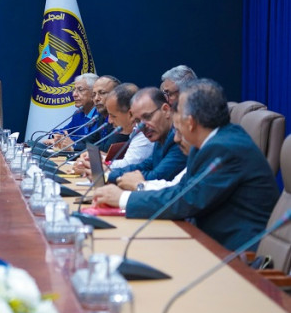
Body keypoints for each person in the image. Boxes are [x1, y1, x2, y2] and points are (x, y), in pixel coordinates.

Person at [94, 79, 279, 251]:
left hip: (236, 254)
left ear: (190, 123)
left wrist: (123, 199)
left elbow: (187, 200)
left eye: (177, 124)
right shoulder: (209, 144)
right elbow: (182, 189)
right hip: (209, 242)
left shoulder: (224, 149)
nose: (176, 137)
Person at [106, 87, 186, 186]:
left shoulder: (179, 139)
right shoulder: (161, 135)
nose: (142, 126)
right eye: (138, 121)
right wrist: (108, 174)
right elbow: (145, 165)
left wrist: (111, 175)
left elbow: (157, 176)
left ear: (166, 110)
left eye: (147, 117)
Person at [74, 83, 154, 177]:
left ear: (131, 114)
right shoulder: (135, 130)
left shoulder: (145, 133)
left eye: (113, 116)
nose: (110, 121)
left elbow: (128, 165)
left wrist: (96, 164)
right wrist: (98, 159)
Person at [44, 73, 99, 142]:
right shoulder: (78, 114)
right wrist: (55, 136)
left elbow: (91, 141)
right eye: (74, 90)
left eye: (80, 90)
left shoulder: (101, 115)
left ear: (93, 93)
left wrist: (65, 139)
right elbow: (63, 131)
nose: (74, 94)